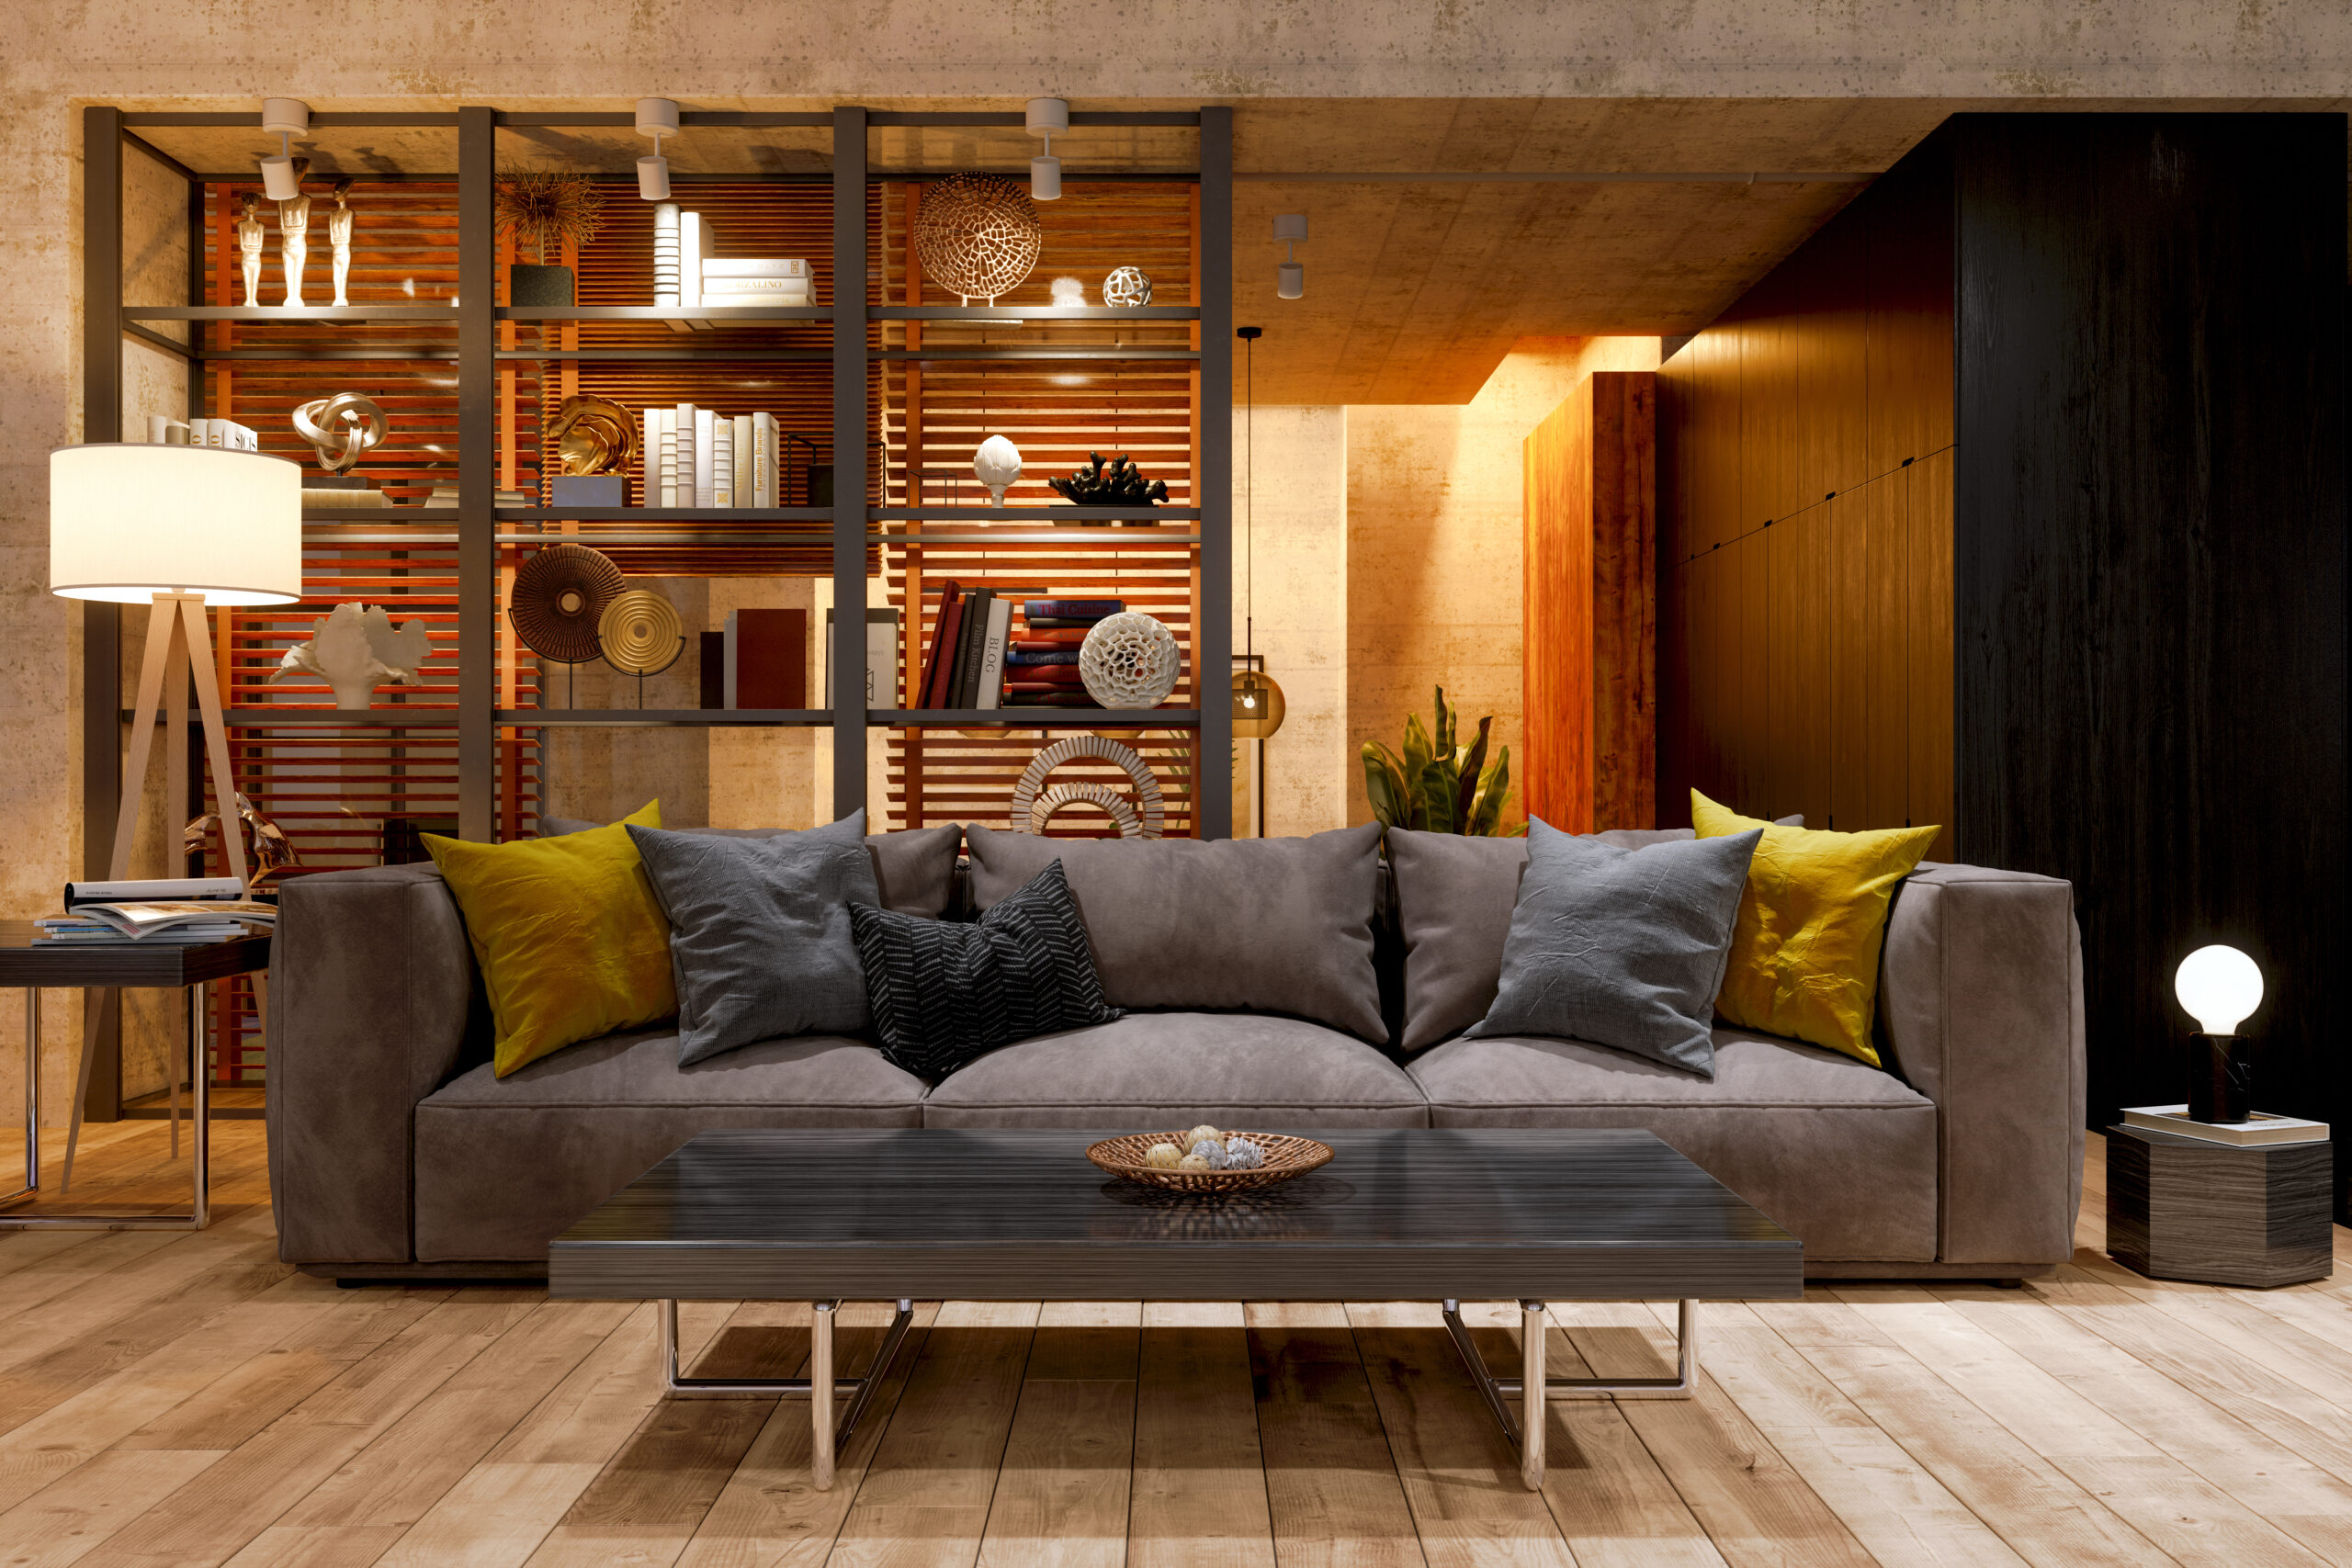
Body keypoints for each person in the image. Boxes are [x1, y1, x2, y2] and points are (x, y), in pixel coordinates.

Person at [277, 156, 312, 307]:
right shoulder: (282, 200)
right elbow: (282, 225)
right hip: (288, 241)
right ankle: (290, 296)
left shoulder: (305, 200)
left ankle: (296, 296)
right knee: (288, 270)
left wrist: (290, 229)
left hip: (297, 240)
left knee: (298, 271)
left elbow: (303, 226)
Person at [326, 178, 355, 308]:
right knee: (336, 275)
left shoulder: (349, 213)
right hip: (337, 248)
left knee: (343, 275)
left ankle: (342, 298)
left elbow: (347, 236)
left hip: (343, 248)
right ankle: (338, 298)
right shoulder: (333, 214)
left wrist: (339, 241)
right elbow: (332, 236)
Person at [236, 193, 266, 307]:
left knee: (254, 280)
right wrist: (251, 248)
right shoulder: (241, 225)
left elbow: (260, 247)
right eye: (248, 203)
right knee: (247, 280)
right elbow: (242, 247)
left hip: (255, 259)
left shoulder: (260, 226)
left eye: (254, 204)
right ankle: (249, 300)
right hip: (246, 259)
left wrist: (250, 248)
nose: (251, 206)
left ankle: (253, 300)